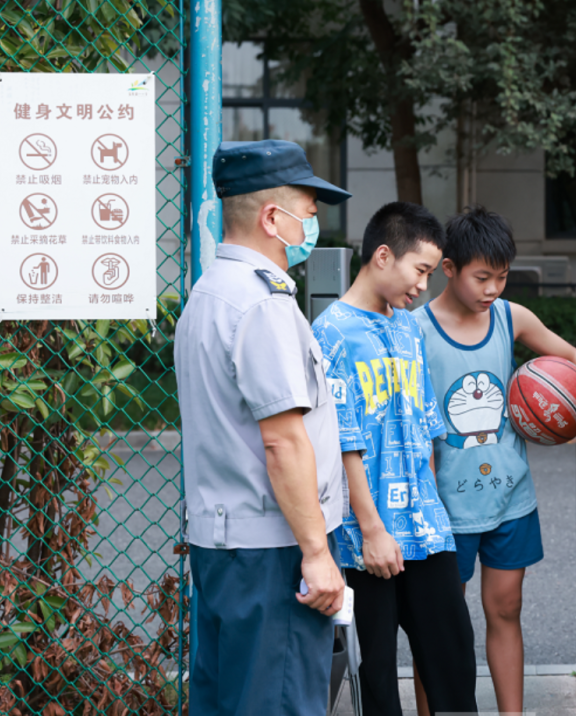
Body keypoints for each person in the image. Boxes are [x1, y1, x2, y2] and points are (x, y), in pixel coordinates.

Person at [410, 205, 576, 714]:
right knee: (439, 627)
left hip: (510, 499)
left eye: (502, 277)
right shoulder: (412, 329)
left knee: (506, 610)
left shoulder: (510, 316)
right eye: (482, 277)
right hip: (444, 509)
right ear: (449, 268)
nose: (493, 289)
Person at [175, 139, 350, 715]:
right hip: (273, 552)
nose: (313, 225)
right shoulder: (262, 305)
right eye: (309, 212)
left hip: (223, 545)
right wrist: (317, 553)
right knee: (279, 702)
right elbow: (282, 439)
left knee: (227, 701)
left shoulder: (206, 295)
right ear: (273, 218)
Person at [312, 202, 478, 716]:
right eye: (421, 270)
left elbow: (426, 428)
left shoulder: (408, 328)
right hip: (367, 538)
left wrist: (430, 508)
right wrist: (371, 530)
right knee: (378, 676)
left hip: (426, 530)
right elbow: (343, 442)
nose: (424, 285)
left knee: (453, 661)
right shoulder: (331, 333)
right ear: (383, 256)